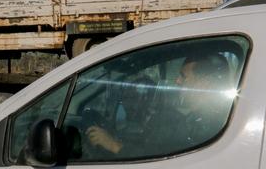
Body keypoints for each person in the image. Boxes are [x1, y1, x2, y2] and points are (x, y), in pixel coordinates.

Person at [85, 53, 233, 158]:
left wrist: (114, 145)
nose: (177, 81)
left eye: (183, 76)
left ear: (204, 84)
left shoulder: (208, 126)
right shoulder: (196, 118)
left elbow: (163, 162)